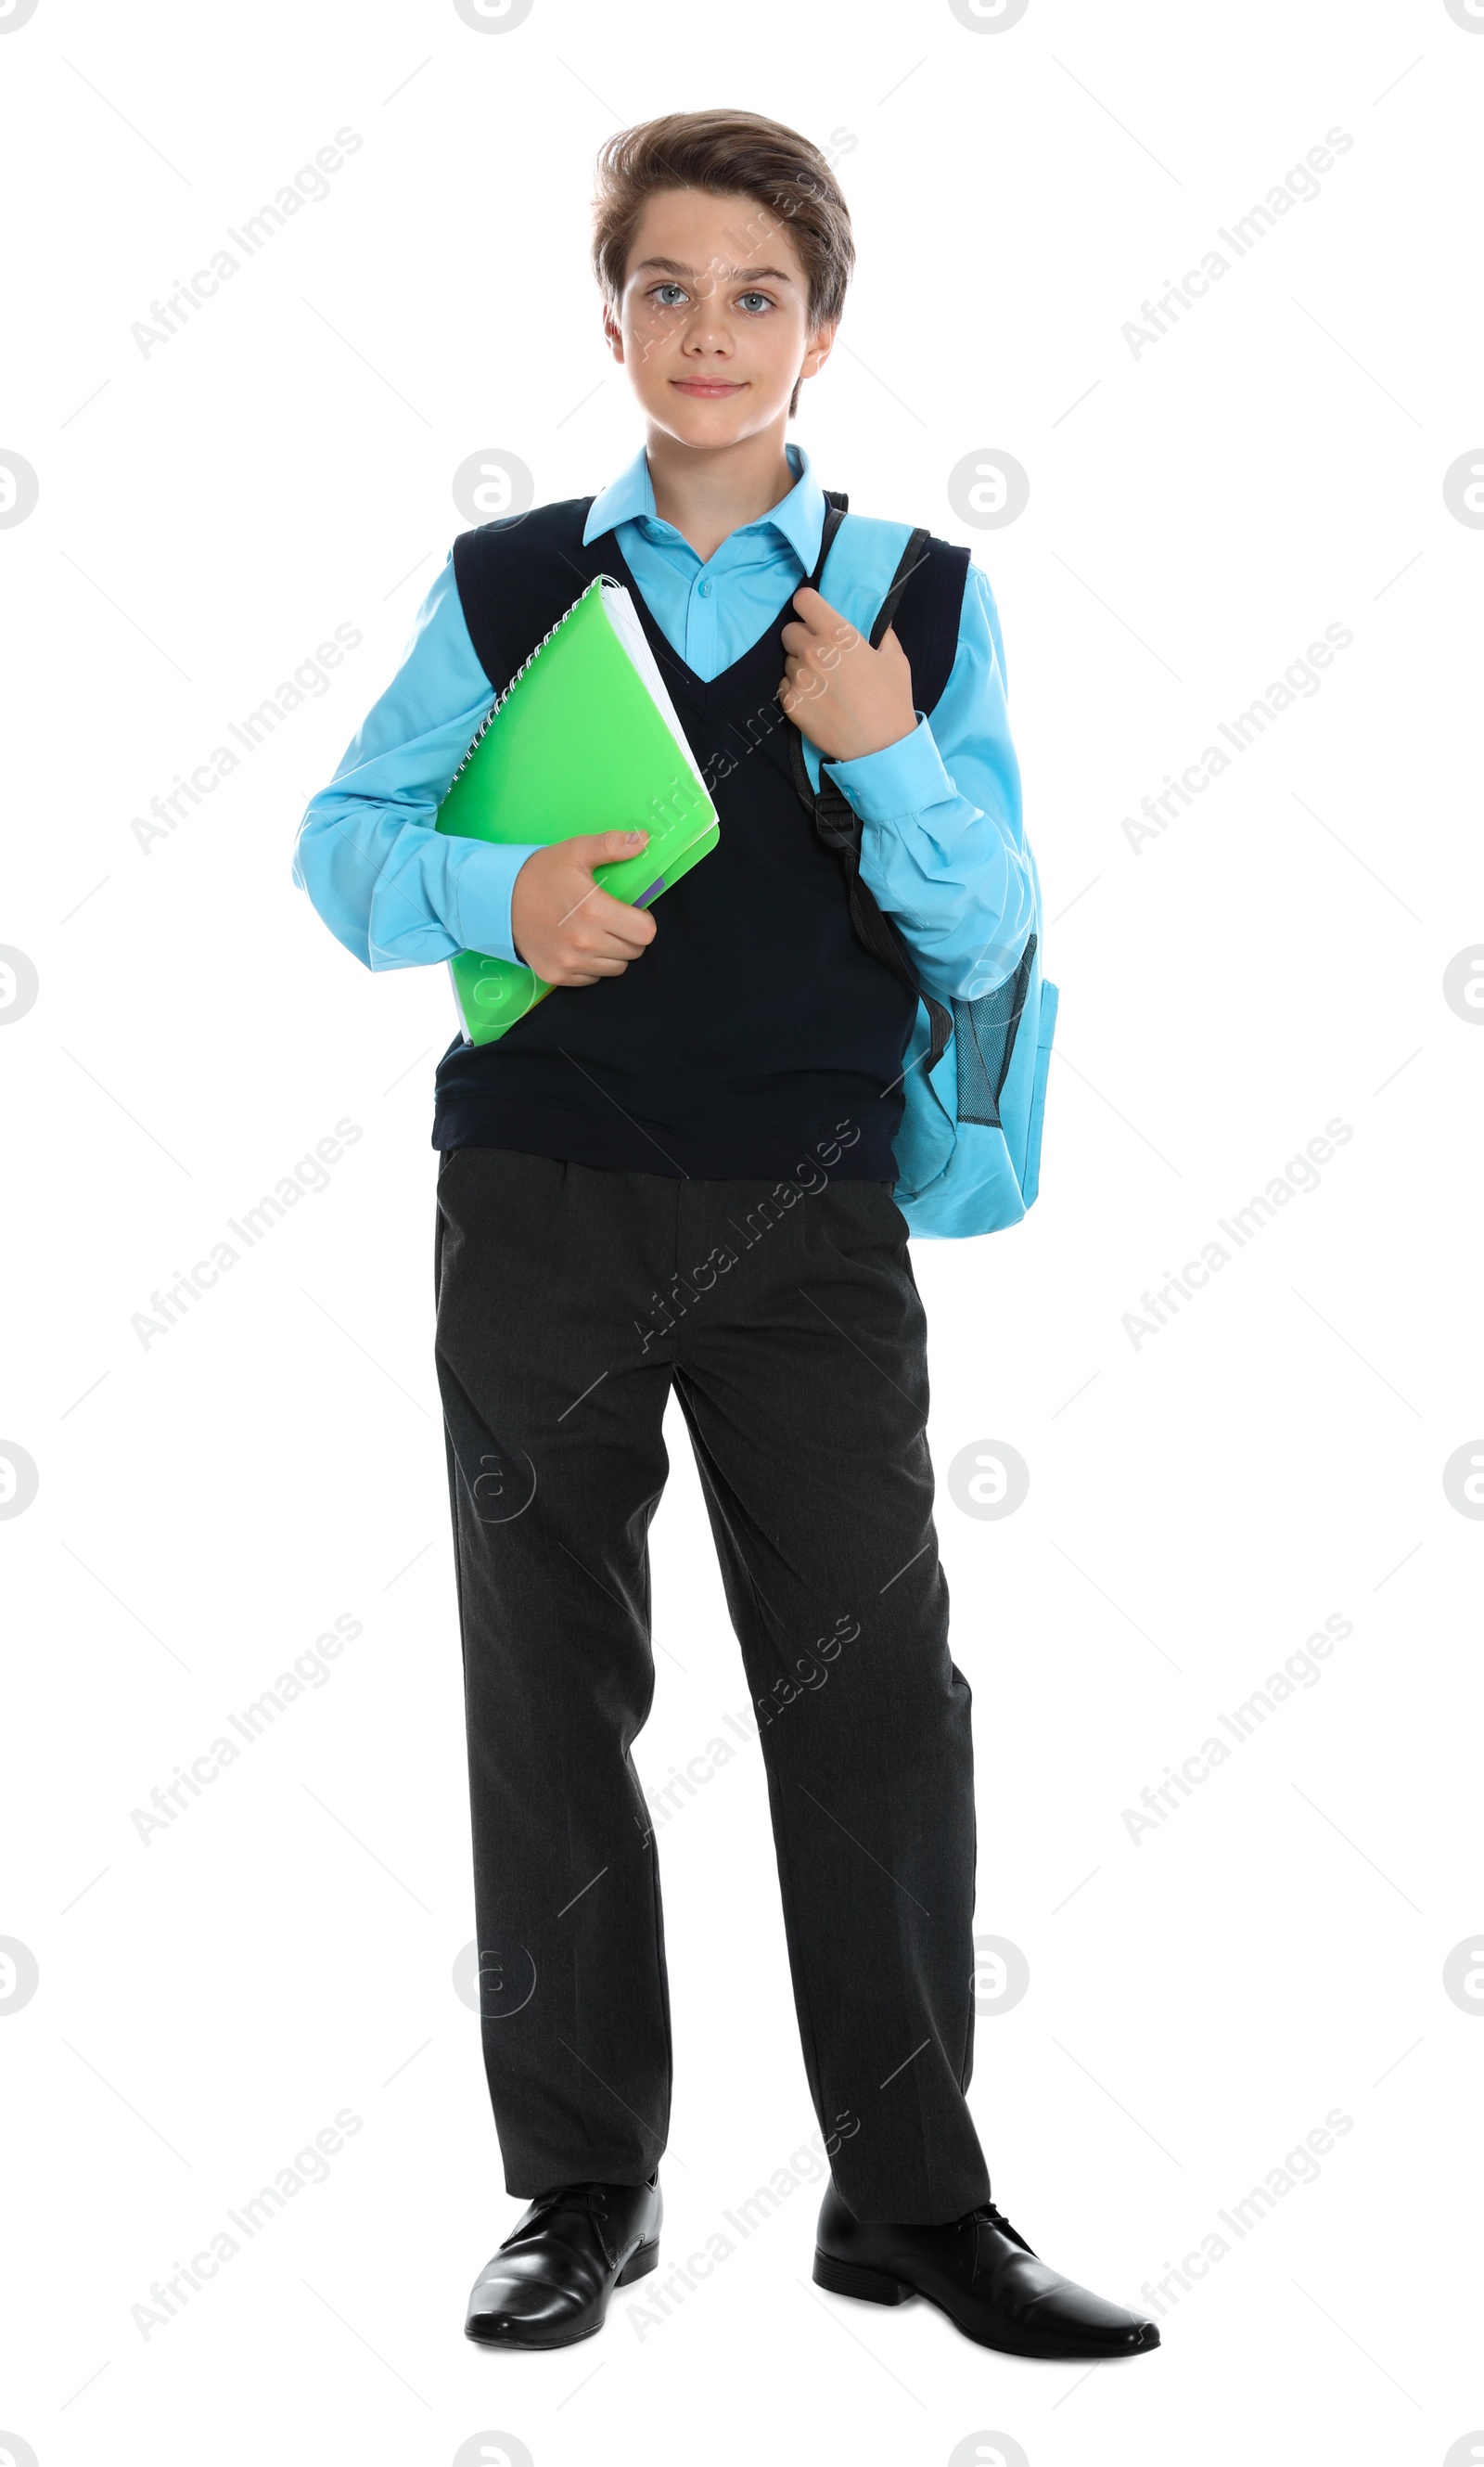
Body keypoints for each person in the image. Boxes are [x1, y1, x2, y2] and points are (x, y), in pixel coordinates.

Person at [293, 106, 1157, 2365]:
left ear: (824, 330)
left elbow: (984, 924)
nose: (705, 332)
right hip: (542, 1197)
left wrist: (876, 745)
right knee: (547, 1690)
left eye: (752, 294)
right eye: (662, 290)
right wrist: (503, 898)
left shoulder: (920, 606)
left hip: (807, 1218)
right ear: (607, 321)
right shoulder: (505, 588)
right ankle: (582, 2187)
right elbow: (340, 841)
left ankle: (910, 2202)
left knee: (874, 1695)